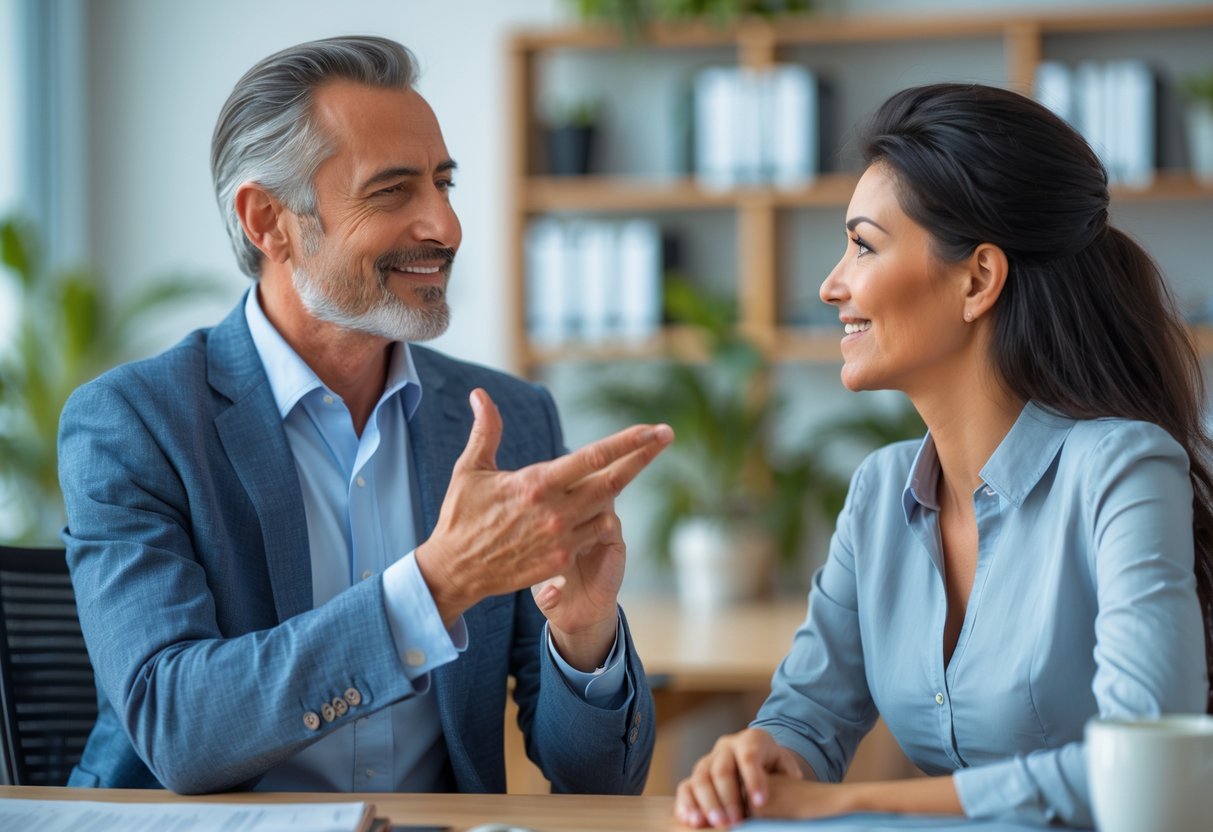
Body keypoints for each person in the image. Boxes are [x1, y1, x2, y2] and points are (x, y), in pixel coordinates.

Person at [57, 35, 673, 795]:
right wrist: (435, 585)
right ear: (269, 222)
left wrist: (584, 640)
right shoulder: (133, 424)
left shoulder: (508, 417)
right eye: (392, 192)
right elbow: (178, 728)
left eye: (444, 184)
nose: (443, 226)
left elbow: (599, 785)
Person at [674, 82, 1213, 828]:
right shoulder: (878, 490)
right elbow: (806, 717)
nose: (832, 285)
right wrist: (757, 759)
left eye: (862, 245)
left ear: (977, 279)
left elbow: (1143, 767)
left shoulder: (1121, 469)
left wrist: (859, 798)